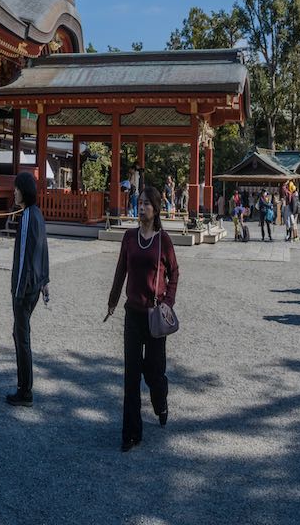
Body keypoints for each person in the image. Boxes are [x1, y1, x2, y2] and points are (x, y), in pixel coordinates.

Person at [107, 185, 178, 452]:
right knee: (131, 375)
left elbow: (175, 274)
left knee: (154, 373)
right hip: (133, 314)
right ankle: (131, 433)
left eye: (147, 203)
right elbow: (120, 270)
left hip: (155, 315)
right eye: (140, 203)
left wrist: (168, 303)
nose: (142, 207)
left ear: (157, 208)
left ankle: (161, 402)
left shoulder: (163, 241)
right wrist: (113, 301)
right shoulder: (128, 237)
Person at [6, 171, 50, 408]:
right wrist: (45, 279)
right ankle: (24, 388)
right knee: (19, 333)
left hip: (24, 287)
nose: (14, 192)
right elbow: (44, 248)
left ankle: (25, 391)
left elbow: (24, 257)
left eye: (16, 188)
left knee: (22, 337)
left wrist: (18, 290)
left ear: (24, 191)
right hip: (35, 283)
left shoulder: (26, 218)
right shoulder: (37, 215)